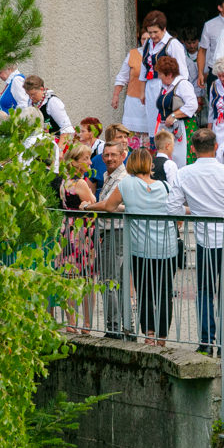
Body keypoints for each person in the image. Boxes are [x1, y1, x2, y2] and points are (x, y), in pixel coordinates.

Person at [166, 129, 224, 355]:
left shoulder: (184, 174)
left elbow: (172, 207)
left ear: (192, 149)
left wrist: (195, 210)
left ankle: (206, 342)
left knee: (204, 290)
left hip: (207, 238)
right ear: (216, 147)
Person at [83, 148, 178, 346]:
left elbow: (108, 206)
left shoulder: (127, 184)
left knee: (144, 292)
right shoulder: (165, 186)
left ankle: (149, 334)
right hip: (167, 247)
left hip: (141, 247)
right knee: (164, 293)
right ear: (150, 165)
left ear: (131, 164)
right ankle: (161, 338)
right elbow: (176, 212)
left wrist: (87, 207)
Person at [90, 141, 130, 339]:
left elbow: (110, 205)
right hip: (108, 231)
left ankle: (113, 327)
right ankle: (123, 326)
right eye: (106, 155)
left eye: (113, 155)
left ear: (123, 155)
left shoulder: (122, 178)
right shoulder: (108, 176)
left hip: (116, 231)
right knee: (114, 280)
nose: (109, 158)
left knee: (110, 281)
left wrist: (88, 207)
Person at [57, 142, 96, 333]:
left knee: (69, 277)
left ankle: (70, 320)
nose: (89, 162)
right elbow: (94, 203)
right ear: (75, 162)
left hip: (67, 230)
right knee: (87, 278)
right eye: (86, 159)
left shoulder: (65, 181)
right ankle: (86, 323)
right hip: (81, 232)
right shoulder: (80, 183)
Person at [139, 10, 188, 147]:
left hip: (167, 88)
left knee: (165, 122)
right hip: (150, 87)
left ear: (164, 29)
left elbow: (183, 73)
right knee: (153, 122)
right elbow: (144, 68)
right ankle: (156, 150)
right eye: (150, 32)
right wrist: (142, 91)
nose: (153, 35)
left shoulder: (173, 44)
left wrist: (175, 92)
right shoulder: (148, 43)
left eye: (156, 32)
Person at [155, 55, 199, 168]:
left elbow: (193, 105)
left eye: (160, 74)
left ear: (169, 74)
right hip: (167, 129)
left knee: (181, 161)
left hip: (182, 128)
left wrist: (174, 115)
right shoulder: (165, 86)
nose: (159, 77)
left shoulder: (183, 84)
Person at [112, 29, 151, 147]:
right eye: (144, 39)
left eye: (149, 39)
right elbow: (122, 77)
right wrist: (116, 95)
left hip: (152, 103)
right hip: (134, 103)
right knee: (132, 140)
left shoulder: (159, 55)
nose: (146, 42)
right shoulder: (132, 54)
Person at [197, 0, 224, 91]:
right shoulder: (209, 25)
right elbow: (202, 51)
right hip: (216, 72)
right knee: (215, 104)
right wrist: (200, 73)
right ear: (220, 8)